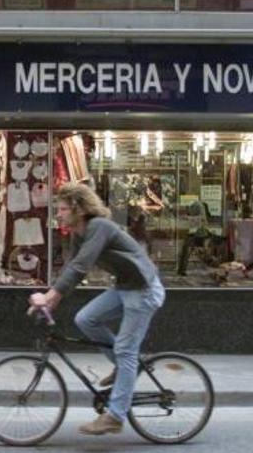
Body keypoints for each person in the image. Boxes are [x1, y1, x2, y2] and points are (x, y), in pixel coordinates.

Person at [28, 183, 165, 436]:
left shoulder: (99, 227)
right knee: (86, 319)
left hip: (144, 290)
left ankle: (115, 415)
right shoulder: (80, 234)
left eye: (62, 209)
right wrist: (53, 299)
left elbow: (82, 265)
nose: (57, 214)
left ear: (78, 209)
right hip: (126, 287)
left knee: (125, 349)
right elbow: (72, 268)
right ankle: (127, 367)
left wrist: (51, 295)